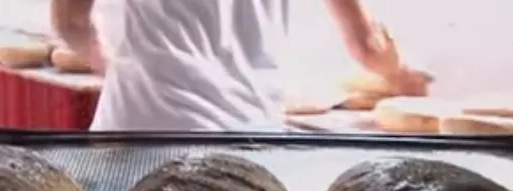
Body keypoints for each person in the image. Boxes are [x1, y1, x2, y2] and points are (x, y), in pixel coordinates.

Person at [51, 0, 431, 132]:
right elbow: (368, 46)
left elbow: (71, 23)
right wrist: (400, 76)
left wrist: (117, 67)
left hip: (137, 132)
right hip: (244, 135)